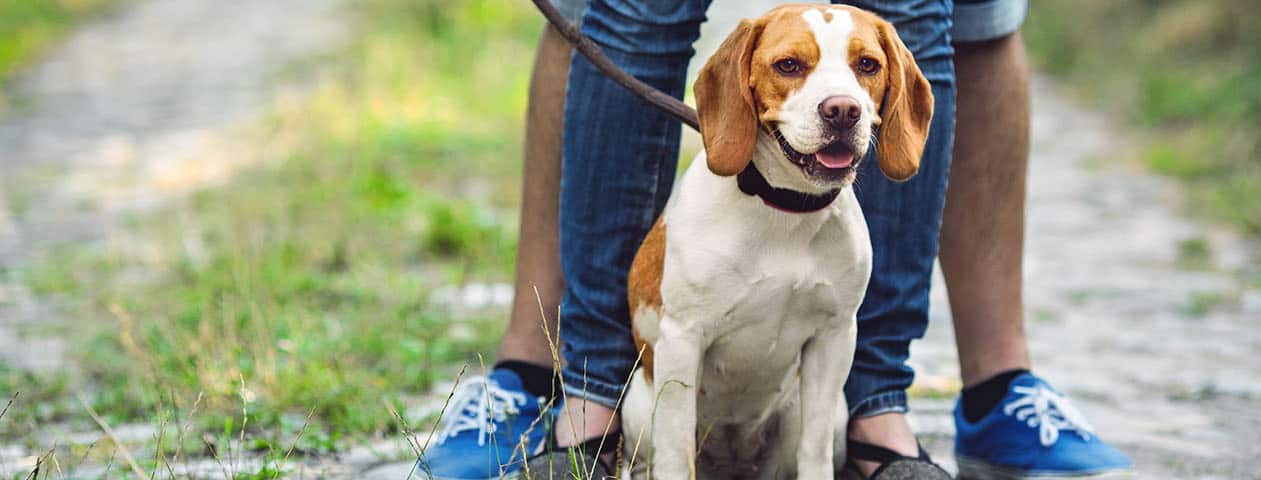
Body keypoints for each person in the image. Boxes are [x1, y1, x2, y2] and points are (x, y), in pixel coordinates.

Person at [421, 0, 1132, 478]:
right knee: (636, 6)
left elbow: (832, 326)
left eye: (865, 69)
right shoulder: (705, 215)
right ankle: (589, 401)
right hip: (681, 385)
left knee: (925, 5)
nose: (841, 99)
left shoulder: (848, 234)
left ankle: (881, 418)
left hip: (782, 411)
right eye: (791, 66)